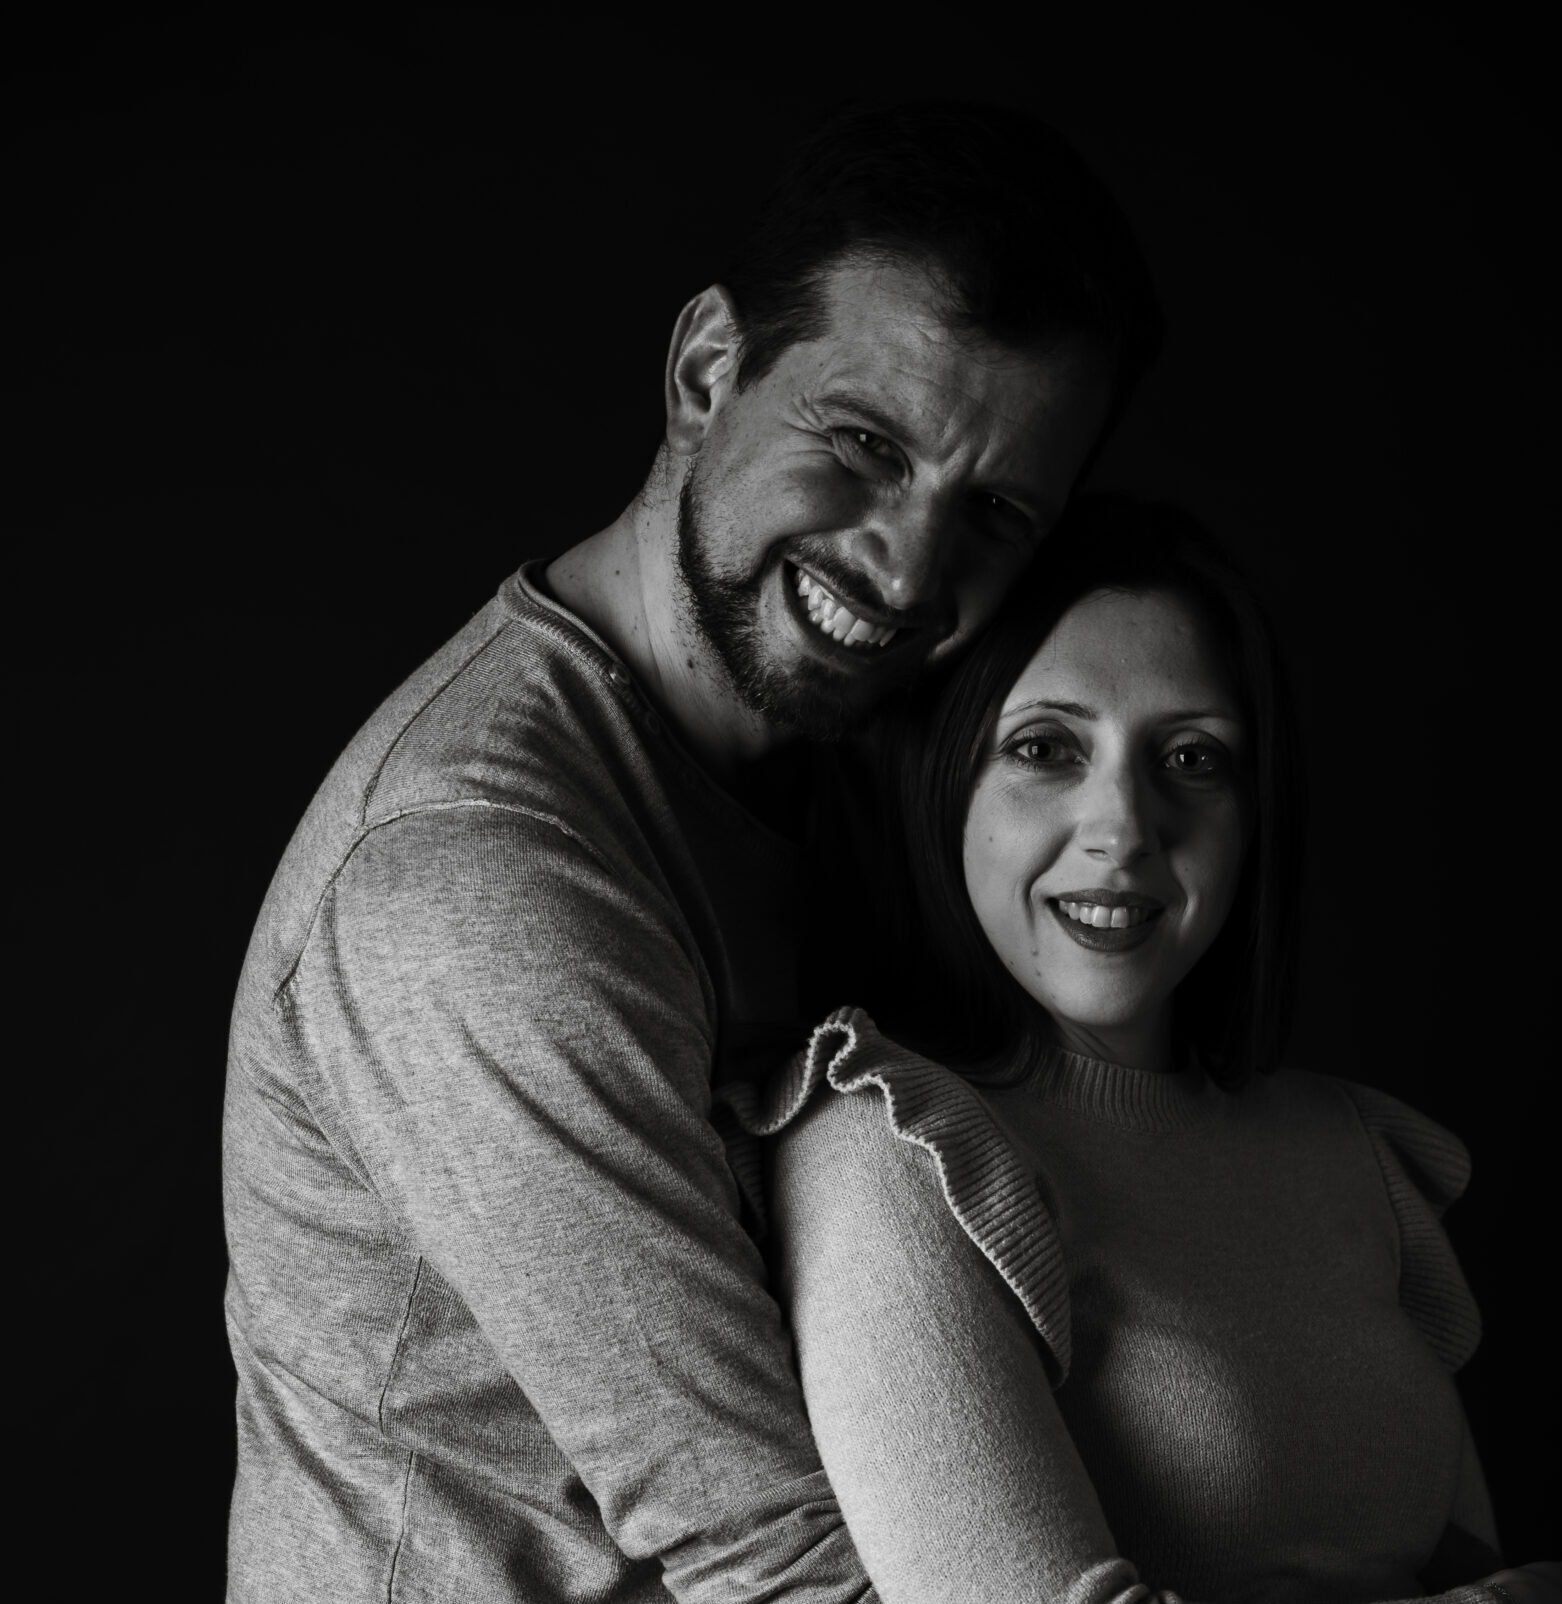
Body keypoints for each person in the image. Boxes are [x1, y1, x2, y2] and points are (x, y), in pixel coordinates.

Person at [221, 102, 1160, 1602]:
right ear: (707, 370)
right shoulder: (477, 883)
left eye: (991, 512)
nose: (906, 566)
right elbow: (767, 1557)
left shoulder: (864, 771)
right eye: (864, 445)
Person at [742, 497, 1562, 1604]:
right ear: (943, 781)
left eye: (1192, 757)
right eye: (1044, 748)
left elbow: (1471, 1563)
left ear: (1254, 812)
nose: (1125, 830)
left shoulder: (1346, 1150)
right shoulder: (892, 1148)